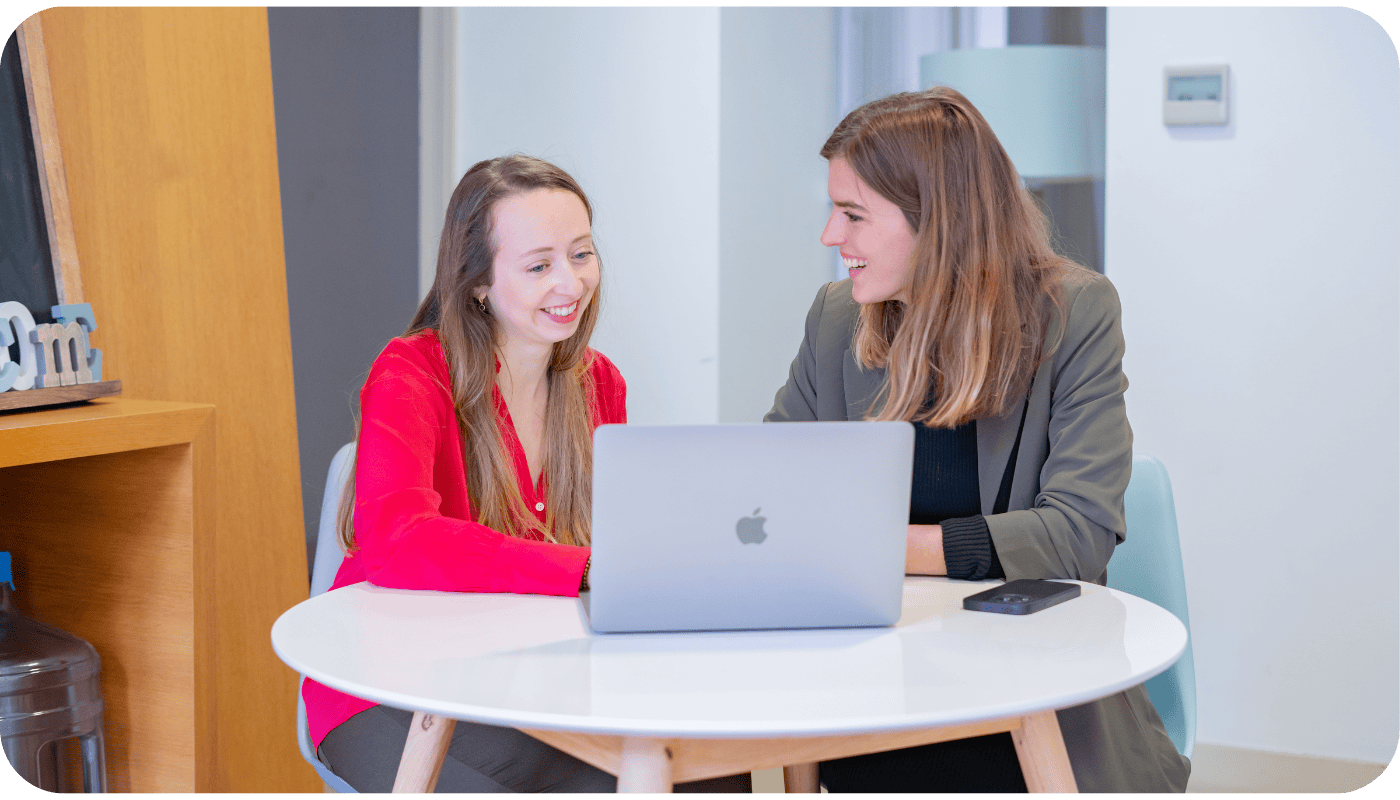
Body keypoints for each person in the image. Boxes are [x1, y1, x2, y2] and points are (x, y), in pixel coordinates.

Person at [766, 88, 1191, 794]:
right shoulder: (837, 319)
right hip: (874, 692)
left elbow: (1077, 535)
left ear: (938, 221)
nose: (830, 237)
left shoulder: (1075, 314)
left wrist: (885, 546)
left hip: (1031, 703)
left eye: (853, 214)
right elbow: (771, 490)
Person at [303, 155, 749, 793]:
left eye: (581, 254)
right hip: (391, 686)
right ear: (479, 283)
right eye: (539, 266)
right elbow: (398, 540)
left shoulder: (599, 383)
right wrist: (583, 568)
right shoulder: (411, 373)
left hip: (531, 682)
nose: (570, 283)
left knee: (709, 778)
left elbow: (621, 538)